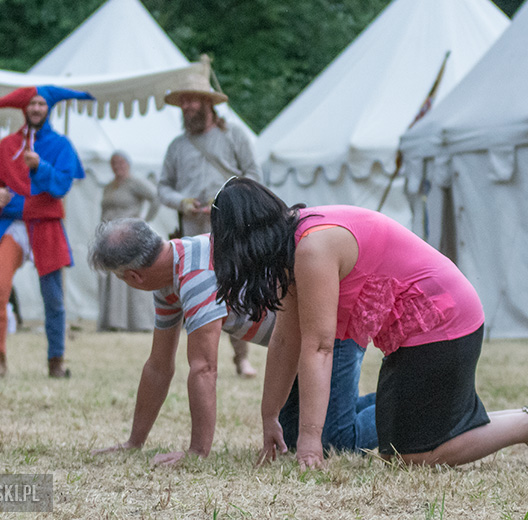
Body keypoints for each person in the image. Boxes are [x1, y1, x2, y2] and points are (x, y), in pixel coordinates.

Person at [210, 177, 528, 473]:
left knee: (412, 456)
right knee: (400, 446)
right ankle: (469, 412)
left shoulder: (311, 249)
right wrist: (270, 417)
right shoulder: (292, 248)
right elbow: (287, 341)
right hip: (417, 332)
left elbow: (319, 347)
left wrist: (310, 443)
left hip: (442, 320)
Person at [87, 218, 376, 465]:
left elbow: (203, 369)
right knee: (291, 436)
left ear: (135, 277)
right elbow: (158, 367)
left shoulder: (195, 275)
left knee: (334, 442)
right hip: (300, 343)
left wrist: (197, 452)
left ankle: (407, 403)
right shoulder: (172, 273)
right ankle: (378, 402)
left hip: (333, 326)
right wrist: (134, 442)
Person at [0, 85, 93, 378]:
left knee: (53, 299)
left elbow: (62, 185)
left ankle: (56, 361)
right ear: (24, 109)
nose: (36, 108)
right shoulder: (7, 146)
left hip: (46, 226)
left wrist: (41, 166)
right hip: (13, 227)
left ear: (48, 108)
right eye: (32, 103)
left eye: (41, 103)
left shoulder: (61, 145)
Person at [157, 73, 260, 378]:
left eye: (191, 100)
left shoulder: (234, 136)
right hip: (193, 231)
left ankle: (241, 358)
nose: (186, 106)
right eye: (183, 101)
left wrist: (227, 198)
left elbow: (254, 177)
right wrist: (182, 202)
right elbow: (163, 187)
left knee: (237, 290)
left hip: (230, 227)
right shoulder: (177, 146)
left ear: (207, 103)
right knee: (199, 293)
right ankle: (203, 360)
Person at [97, 151, 159, 332]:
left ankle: (137, 321)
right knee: (111, 277)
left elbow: (156, 197)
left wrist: (144, 220)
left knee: (129, 276)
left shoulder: (135, 183)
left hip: (127, 237)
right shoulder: (109, 186)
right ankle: (113, 321)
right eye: (114, 163)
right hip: (109, 237)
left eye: (121, 162)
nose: (117, 166)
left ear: (128, 164)